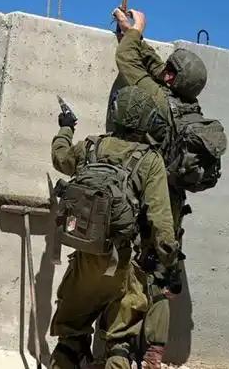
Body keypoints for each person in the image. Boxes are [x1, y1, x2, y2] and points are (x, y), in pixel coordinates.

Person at [49, 86, 178, 369]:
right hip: (123, 265)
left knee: (70, 339)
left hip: (85, 260)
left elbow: (60, 159)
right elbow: (161, 223)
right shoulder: (149, 160)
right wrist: (168, 263)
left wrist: (66, 128)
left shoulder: (90, 147)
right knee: (120, 344)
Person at [112, 7, 210, 367]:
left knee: (130, 271)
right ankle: (154, 349)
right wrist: (135, 36)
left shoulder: (154, 99)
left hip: (145, 197)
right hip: (172, 206)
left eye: (169, 70)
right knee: (161, 275)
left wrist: (134, 33)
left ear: (172, 78)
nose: (163, 71)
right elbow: (158, 69)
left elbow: (127, 61)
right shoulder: (191, 109)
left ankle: (120, 346)